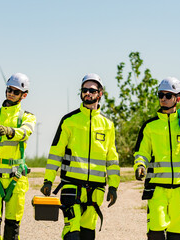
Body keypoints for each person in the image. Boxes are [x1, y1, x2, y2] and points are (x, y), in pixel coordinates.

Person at [40, 73, 120, 240]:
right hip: (71, 186)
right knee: (72, 233)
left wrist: (113, 186)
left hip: (95, 189)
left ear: (100, 93)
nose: (87, 93)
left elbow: (112, 159)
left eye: (92, 90)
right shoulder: (69, 120)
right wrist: (48, 180)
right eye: (84, 90)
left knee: (87, 234)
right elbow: (56, 153)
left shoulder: (108, 125)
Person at [133, 77, 180, 240]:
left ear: (177, 98)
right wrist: (140, 165)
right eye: (160, 95)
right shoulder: (150, 126)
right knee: (155, 233)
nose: (163, 99)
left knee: (177, 235)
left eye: (168, 95)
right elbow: (141, 152)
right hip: (157, 189)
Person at [0, 73, 36, 240]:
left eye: (15, 91)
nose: (11, 93)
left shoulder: (27, 117)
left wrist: (9, 131)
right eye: (9, 89)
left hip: (15, 179)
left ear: (24, 95)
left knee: (12, 226)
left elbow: (25, 132)